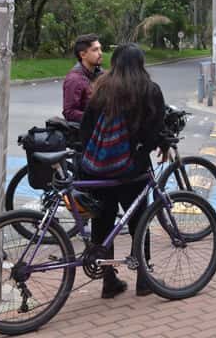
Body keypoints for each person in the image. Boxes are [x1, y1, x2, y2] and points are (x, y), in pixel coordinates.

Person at [77, 43, 165, 299]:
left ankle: (108, 279)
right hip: (131, 171)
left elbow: (86, 127)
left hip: (98, 169)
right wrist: (140, 153)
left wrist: (94, 156)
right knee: (139, 221)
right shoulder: (148, 90)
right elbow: (153, 130)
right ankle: (143, 279)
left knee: (102, 222)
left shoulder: (102, 88)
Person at [63, 34, 104, 122]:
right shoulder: (75, 79)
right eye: (95, 50)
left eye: (100, 48)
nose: (100, 53)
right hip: (85, 132)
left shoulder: (102, 74)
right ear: (83, 55)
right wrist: (97, 118)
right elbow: (69, 113)